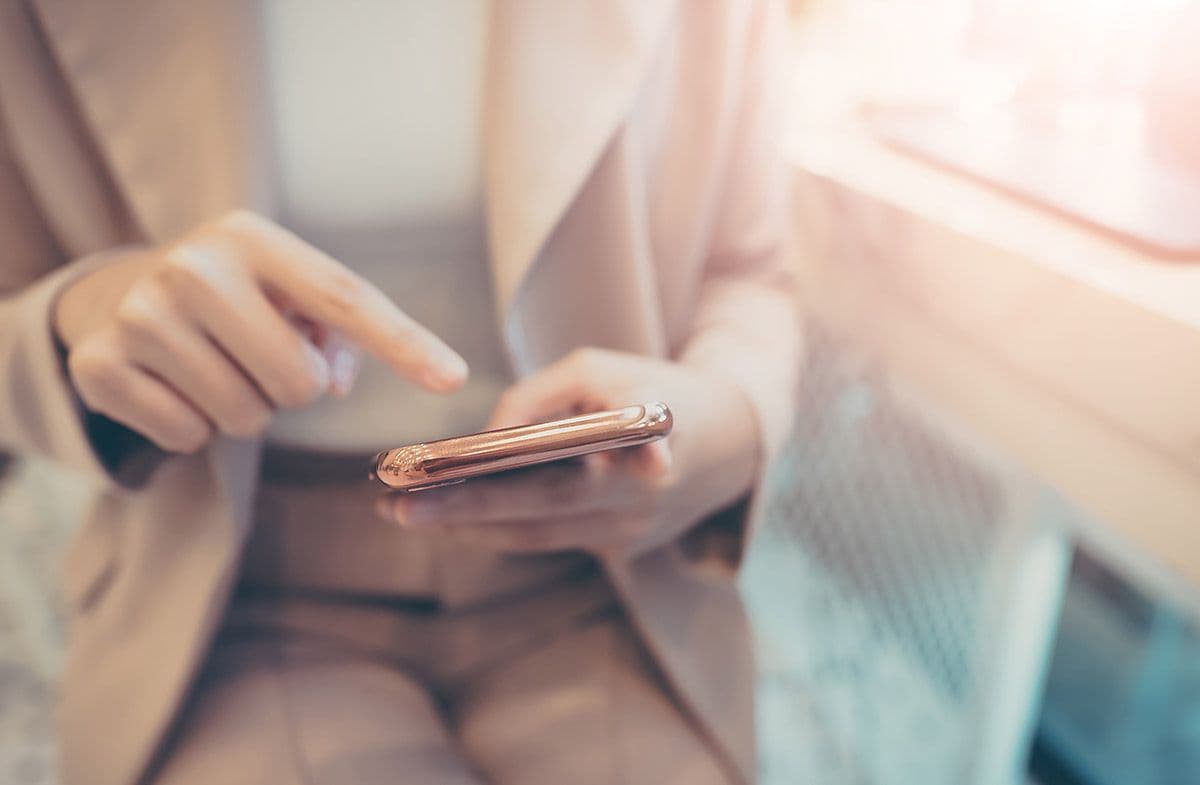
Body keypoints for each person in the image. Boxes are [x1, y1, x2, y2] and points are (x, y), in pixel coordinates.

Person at [0, 2, 801, 784]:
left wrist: (731, 419)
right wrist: (85, 318)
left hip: (604, 571)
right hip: (234, 587)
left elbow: (750, 268)